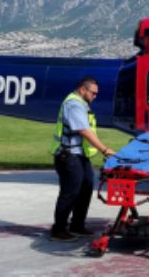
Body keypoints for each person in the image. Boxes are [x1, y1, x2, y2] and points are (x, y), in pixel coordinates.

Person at [49, 76, 117, 242]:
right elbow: (84, 131)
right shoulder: (74, 104)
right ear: (83, 89)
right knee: (70, 192)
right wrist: (105, 150)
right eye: (93, 93)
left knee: (86, 187)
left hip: (79, 155)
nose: (95, 96)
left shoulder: (82, 103)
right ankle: (58, 230)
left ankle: (77, 225)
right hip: (69, 156)